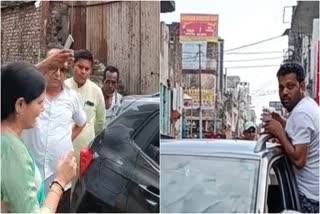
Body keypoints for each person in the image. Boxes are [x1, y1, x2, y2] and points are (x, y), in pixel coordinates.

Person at [1, 61, 77, 213]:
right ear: (20, 105)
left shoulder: (9, 139)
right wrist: (60, 182)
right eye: (40, 102)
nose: (43, 109)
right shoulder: (12, 152)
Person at [22, 45, 87, 212]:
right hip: (29, 177)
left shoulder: (72, 98)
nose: (58, 74)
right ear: (45, 66)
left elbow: (81, 122)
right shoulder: (28, 94)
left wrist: (67, 139)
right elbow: (11, 79)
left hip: (60, 179)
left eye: (62, 70)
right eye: (53, 68)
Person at [264, 61, 319, 213]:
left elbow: (299, 160)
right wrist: (282, 122)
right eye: (281, 88)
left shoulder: (301, 113)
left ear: (302, 87)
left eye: (290, 86)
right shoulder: (307, 106)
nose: (284, 92)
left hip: (306, 198)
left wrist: (280, 133)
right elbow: (301, 134)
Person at [65, 50, 106, 189]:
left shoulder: (96, 91)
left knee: (81, 193)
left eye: (86, 69)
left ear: (90, 71)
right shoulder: (63, 88)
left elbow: (100, 122)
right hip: (64, 152)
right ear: (72, 66)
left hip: (85, 155)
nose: (83, 71)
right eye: (80, 67)